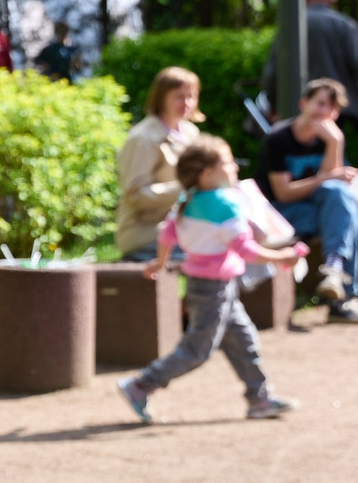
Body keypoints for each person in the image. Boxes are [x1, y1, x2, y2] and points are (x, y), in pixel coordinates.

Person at [118, 137, 301, 424]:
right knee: (196, 351)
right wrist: (282, 257)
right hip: (213, 289)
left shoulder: (187, 199)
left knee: (243, 339)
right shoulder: (225, 204)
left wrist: (160, 262)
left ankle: (260, 398)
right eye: (227, 162)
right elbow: (246, 250)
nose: (233, 167)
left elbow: (167, 234)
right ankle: (141, 385)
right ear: (207, 173)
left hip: (212, 286)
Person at [255, 77, 358, 325]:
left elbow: (332, 187)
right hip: (280, 213)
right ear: (303, 103)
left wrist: (336, 143)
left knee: (340, 199)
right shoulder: (278, 139)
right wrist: (329, 176)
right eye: (320, 103)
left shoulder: (330, 137)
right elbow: (283, 193)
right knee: (346, 215)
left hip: (318, 211)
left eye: (332, 108)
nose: (325, 112)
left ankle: (334, 271)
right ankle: (343, 299)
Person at [259, 0, 358, 179]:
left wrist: (271, 103)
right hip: (335, 109)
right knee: (335, 158)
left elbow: (273, 69)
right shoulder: (345, 25)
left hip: (294, 110)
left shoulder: (291, 25)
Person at [116, 66, 203, 262]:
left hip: (183, 225)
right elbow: (135, 195)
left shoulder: (190, 132)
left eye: (192, 96)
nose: (187, 103)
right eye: (179, 97)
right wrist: (188, 189)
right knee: (212, 252)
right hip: (146, 233)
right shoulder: (142, 138)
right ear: (161, 97)